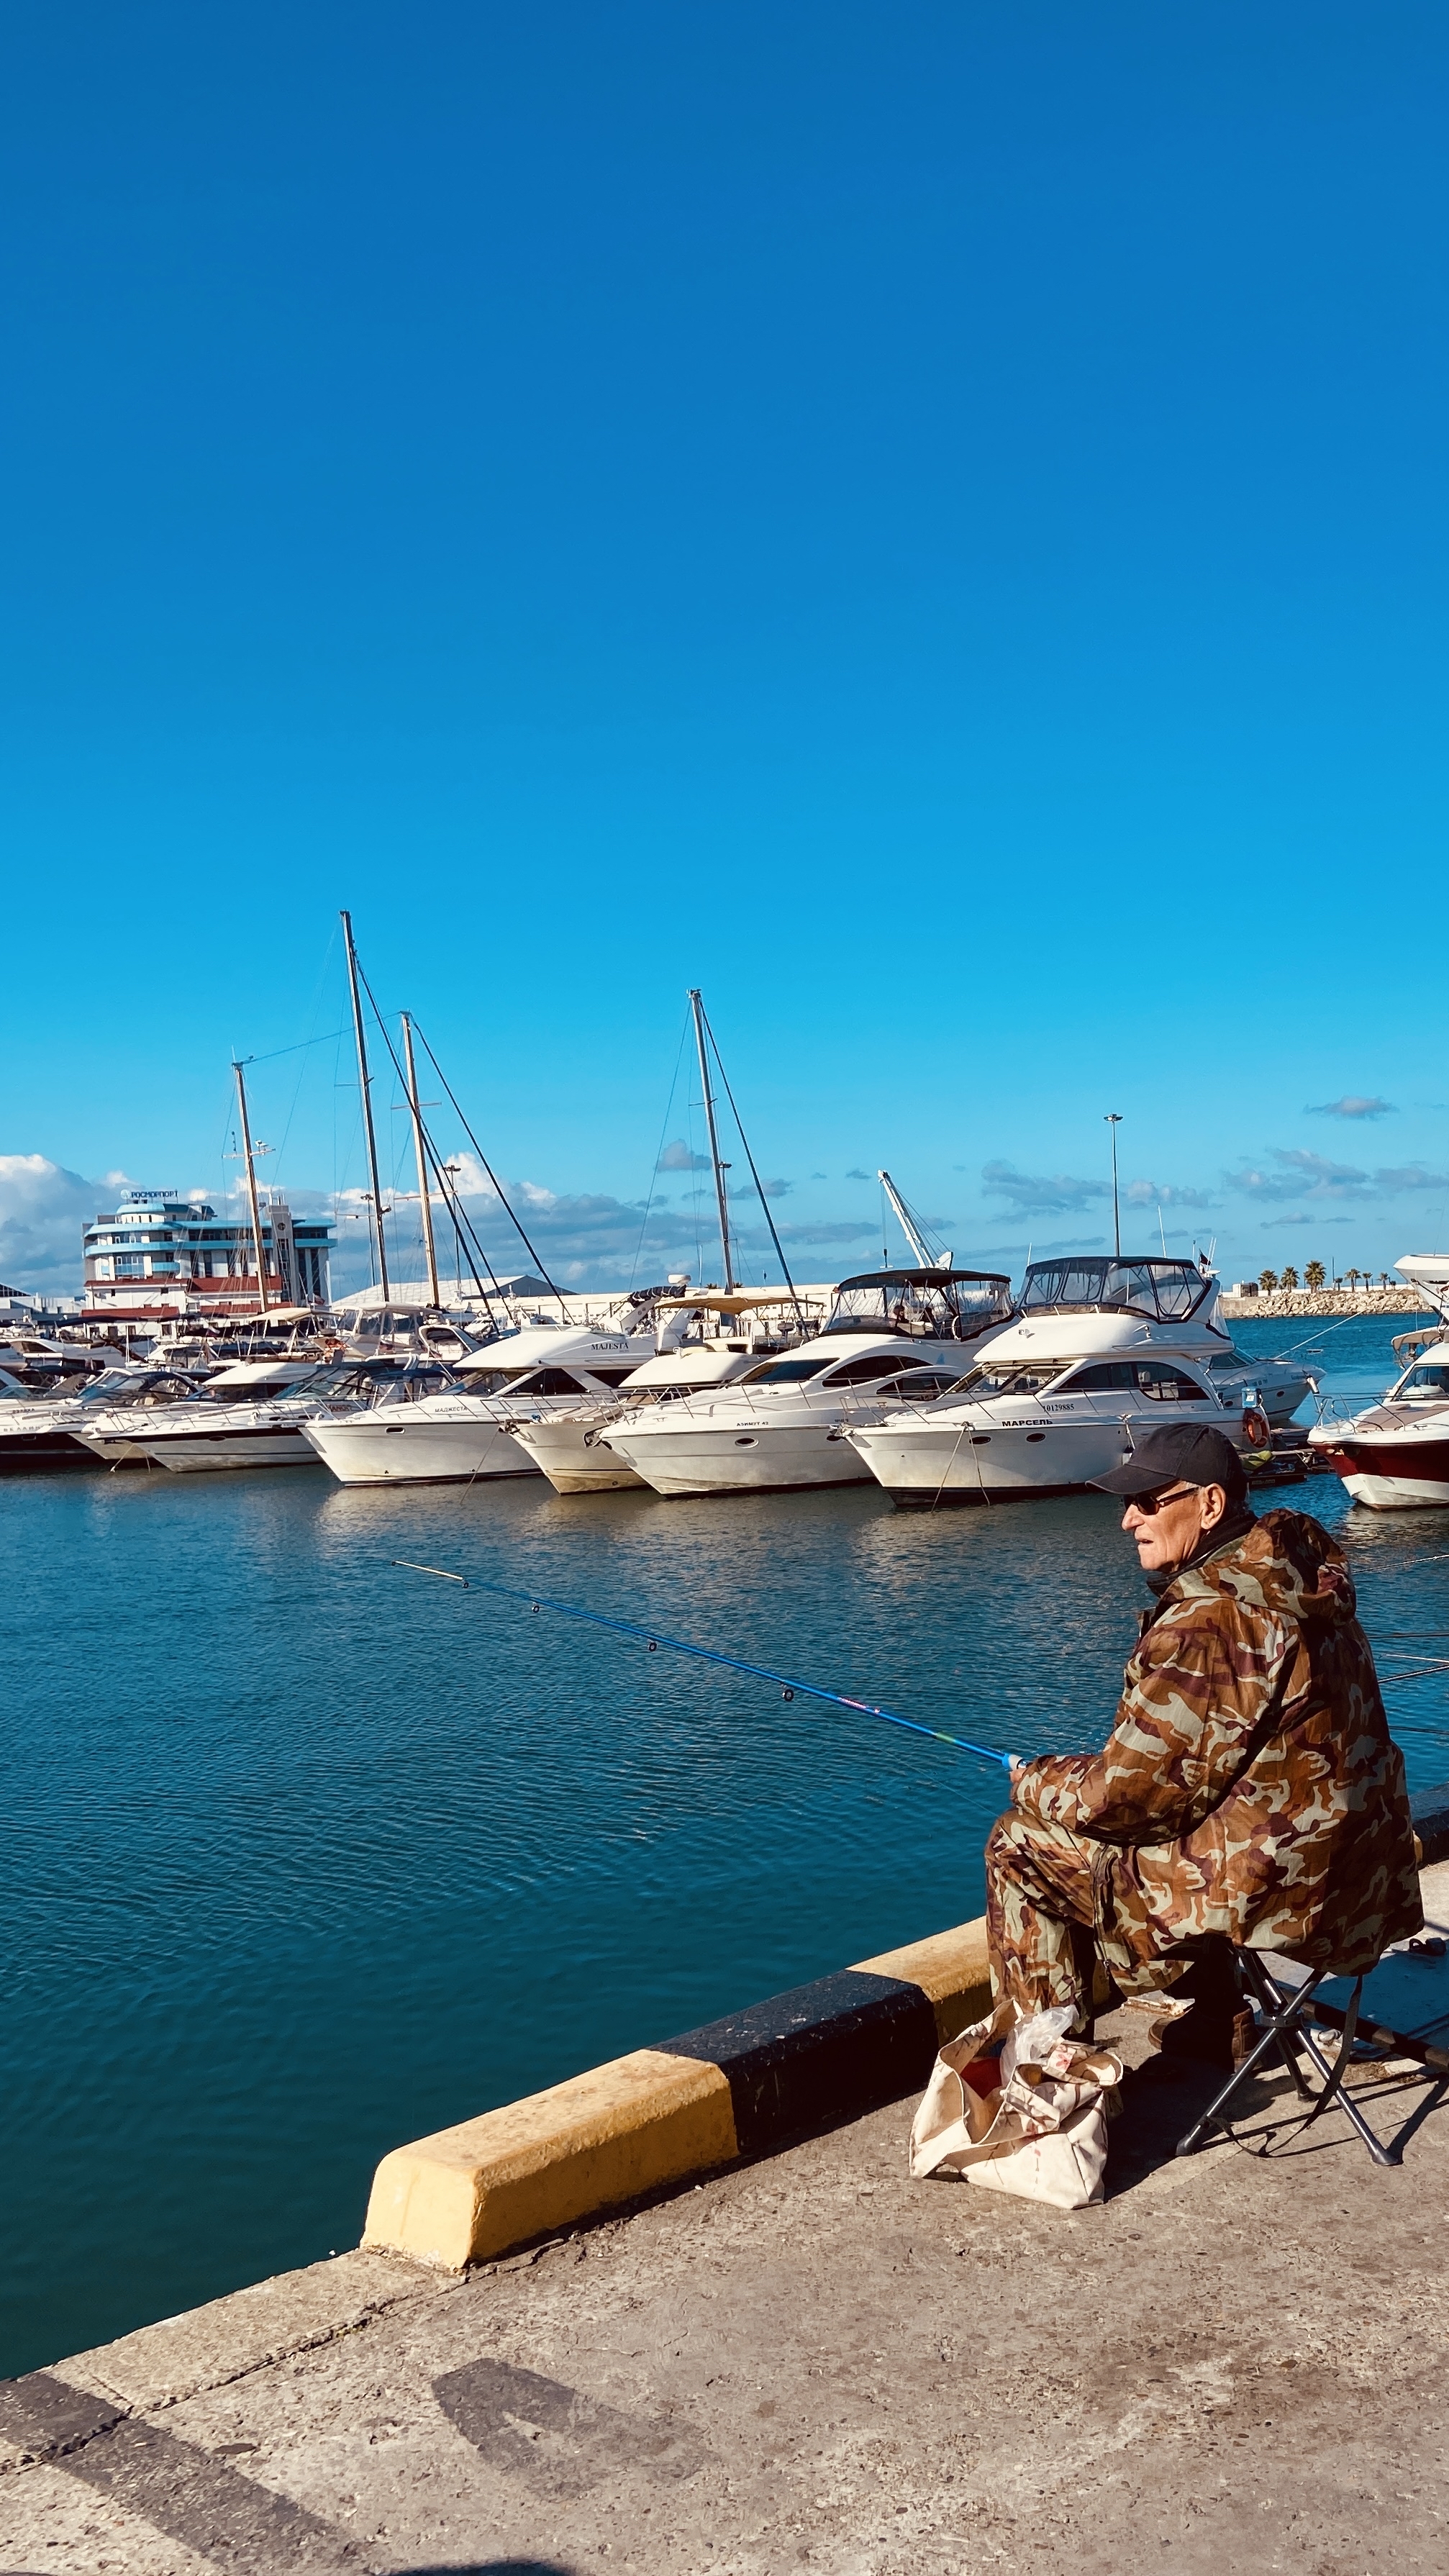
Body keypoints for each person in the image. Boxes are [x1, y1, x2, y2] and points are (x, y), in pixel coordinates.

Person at [985, 1424, 1422, 2067]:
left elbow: (1126, 1799)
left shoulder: (1207, 1618)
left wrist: (1035, 1780)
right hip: (1357, 1871)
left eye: (1148, 1501)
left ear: (1210, 1504)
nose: (1128, 1520)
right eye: (1127, 1503)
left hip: (1275, 1887)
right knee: (1200, 1819)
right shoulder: (1300, 1585)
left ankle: (1050, 2082)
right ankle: (1221, 2018)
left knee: (1019, 1844)